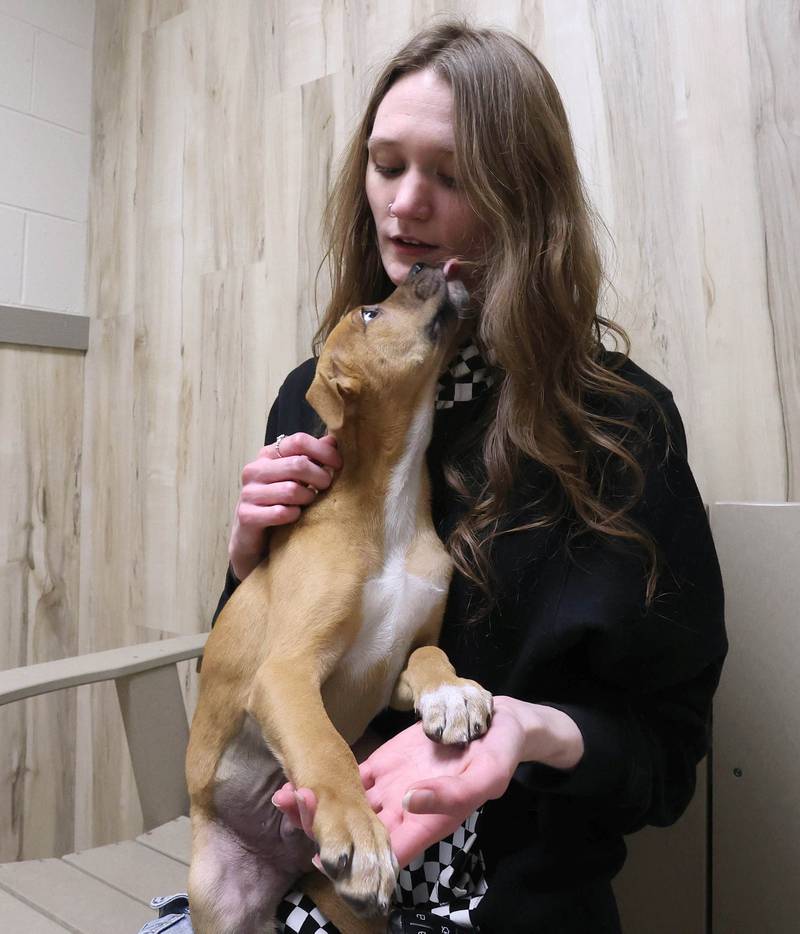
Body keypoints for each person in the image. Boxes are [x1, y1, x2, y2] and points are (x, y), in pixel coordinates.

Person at [213, 19, 726, 934]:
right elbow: (268, 671)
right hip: (303, 889)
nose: (404, 206)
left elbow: (667, 756)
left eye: (450, 176)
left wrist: (528, 730)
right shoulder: (316, 394)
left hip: (519, 908)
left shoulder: (618, 427)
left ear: (524, 199)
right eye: (385, 164)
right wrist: (249, 561)